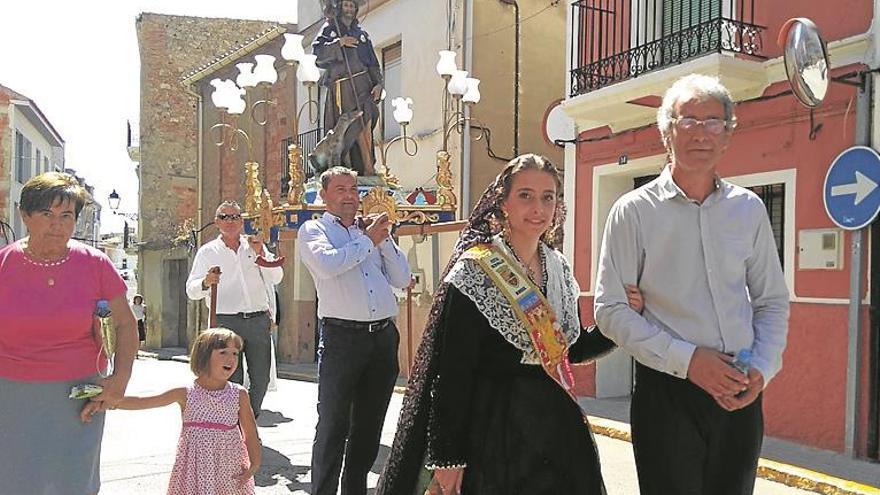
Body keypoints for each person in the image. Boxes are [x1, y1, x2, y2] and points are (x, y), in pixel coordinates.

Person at [377, 154, 631, 495]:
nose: (538, 208)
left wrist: (622, 318)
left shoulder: (558, 268)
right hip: (491, 431)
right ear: (503, 203)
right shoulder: (474, 271)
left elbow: (571, 350)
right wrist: (448, 458)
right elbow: (453, 373)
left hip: (555, 428)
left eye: (548, 196)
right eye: (525, 195)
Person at [594, 74, 790, 495]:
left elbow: (771, 300)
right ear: (666, 131)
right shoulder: (633, 212)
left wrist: (763, 367)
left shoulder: (749, 210)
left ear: (727, 135)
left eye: (713, 122)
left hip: (740, 388)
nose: (700, 132)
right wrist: (689, 361)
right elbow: (610, 310)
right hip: (667, 392)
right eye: (688, 121)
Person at [0, 172, 138, 494]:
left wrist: (119, 381)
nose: (57, 224)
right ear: (24, 215)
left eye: (66, 216)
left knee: (73, 483)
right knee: (15, 482)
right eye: (46, 214)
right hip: (11, 396)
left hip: (79, 397)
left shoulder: (95, 265)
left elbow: (125, 324)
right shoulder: (4, 267)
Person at [298, 166, 411, 495]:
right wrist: (366, 240)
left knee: (369, 426)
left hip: (382, 338)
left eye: (354, 189)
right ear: (325, 196)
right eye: (341, 190)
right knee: (333, 424)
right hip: (342, 338)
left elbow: (402, 279)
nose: (350, 196)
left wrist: (384, 239)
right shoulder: (313, 230)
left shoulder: (371, 233)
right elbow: (329, 265)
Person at [89, 328, 262, 494]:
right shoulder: (186, 393)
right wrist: (108, 401)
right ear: (203, 356)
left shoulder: (238, 394)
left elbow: (250, 431)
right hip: (194, 473)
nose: (231, 359)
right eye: (223, 352)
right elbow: (144, 402)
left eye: (235, 354)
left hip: (229, 470)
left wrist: (254, 463)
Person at [186, 200, 283, 417]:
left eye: (235, 217)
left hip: (258, 320)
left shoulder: (254, 245)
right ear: (216, 222)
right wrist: (206, 282)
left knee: (261, 377)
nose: (230, 221)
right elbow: (191, 290)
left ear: (242, 221)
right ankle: (234, 426)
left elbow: (276, 277)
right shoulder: (208, 252)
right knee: (231, 377)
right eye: (224, 217)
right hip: (226, 322)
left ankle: (248, 418)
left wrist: (262, 256)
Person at [312, 0, 383, 175]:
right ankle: (350, 168)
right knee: (350, 126)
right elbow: (317, 54)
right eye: (346, 5)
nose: (349, 9)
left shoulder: (362, 35)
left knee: (365, 120)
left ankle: (368, 167)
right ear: (339, 7)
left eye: (352, 6)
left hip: (363, 85)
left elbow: (373, 63)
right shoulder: (329, 29)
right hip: (342, 88)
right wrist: (339, 43)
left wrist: (379, 84)